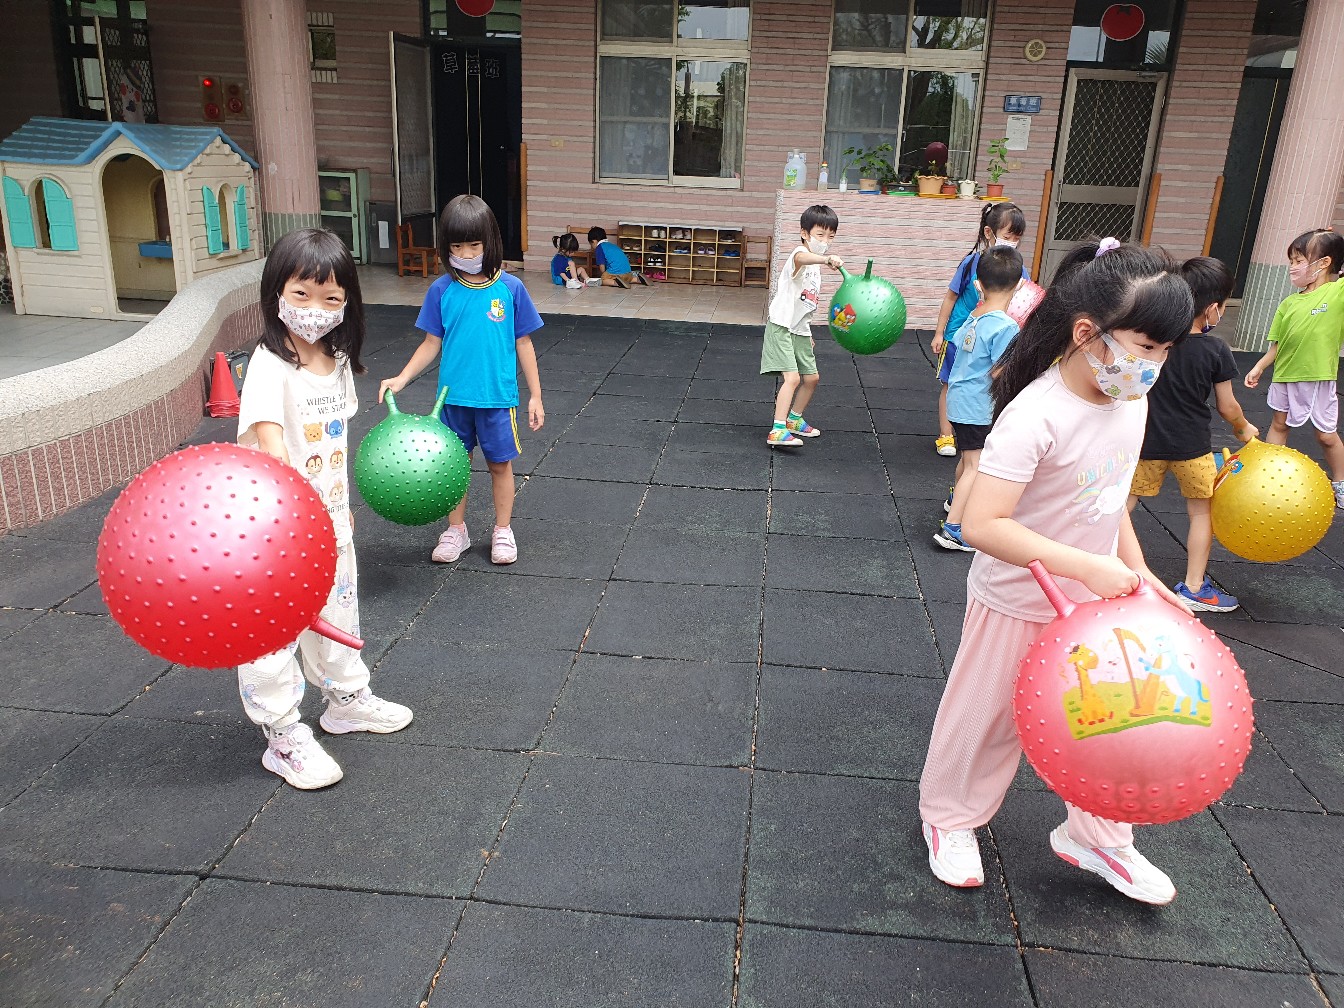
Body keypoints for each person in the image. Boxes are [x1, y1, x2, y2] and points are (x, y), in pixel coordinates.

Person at [919, 238, 1194, 905]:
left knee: (1109, 723)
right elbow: (982, 524)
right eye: (1146, 347)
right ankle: (949, 817)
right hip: (1017, 598)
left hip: (1094, 600)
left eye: (1166, 350)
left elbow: (1108, 496)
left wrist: (1139, 570)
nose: (1154, 365)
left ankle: (1098, 837)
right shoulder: (1035, 415)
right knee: (988, 717)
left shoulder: (1129, 400)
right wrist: (1089, 566)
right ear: (1087, 333)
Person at [236, 228, 413, 790]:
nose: (315, 309)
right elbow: (274, 449)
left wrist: (340, 507)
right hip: (277, 530)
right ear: (276, 294)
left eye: (330, 298)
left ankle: (346, 701)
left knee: (338, 614)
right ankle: (282, 733)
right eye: (302, 295)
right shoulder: (270, 363)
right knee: (273, 632)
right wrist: (299, 521)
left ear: (347, 303)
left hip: (328, 522)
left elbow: (332, 445)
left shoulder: (334, 360)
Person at [381, 194, 545, 565]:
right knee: (454, 467)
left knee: (500, 465)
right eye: (457, 246)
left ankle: (502, 530)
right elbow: (431, 342)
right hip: (452, 400)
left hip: (497, 399)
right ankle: (457, 530)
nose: (466, 253)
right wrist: (402, 378)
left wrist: (535, 395)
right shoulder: (442, 290)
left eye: (473, 245)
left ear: (490, 242)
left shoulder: (510, 289)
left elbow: (524, 342)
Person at [1127, 256, 1258, 611]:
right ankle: (1195, 587)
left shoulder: (1156, 341)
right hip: (1193, 448)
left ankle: (1105, 563)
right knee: (1201, 514)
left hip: (1147, 442)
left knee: (1123, 505)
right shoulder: (1216, 349)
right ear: (1213, 308)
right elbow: (1227, 406)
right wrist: (1243, 428)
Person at [1244, 228, 1344, 508]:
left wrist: (1330, 237)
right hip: (1284, 375)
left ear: (1324, 263)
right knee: (1279, 424)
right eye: (1291, 261)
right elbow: (1278, 345)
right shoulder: (1288, 303)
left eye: (1299, 261)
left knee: (1326, 435)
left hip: (1317, 376)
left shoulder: (1337, 293)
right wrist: (1260, 366)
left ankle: (1341, 482)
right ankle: (1269, 476)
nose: (1292, 267)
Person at [934, 245, 1025, 552]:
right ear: (1020, 285)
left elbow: (961, 345)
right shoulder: (1006, 326)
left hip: (959, 400)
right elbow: (1000, 371)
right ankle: (954, 529)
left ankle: (955, 502)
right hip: (978, 405)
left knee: (968, 458)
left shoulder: (974, 316)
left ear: (978, 285)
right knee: (976, 465)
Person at [930, 203, 1028, 459]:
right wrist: (940, 332)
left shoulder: (1017, 269)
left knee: (980, 382)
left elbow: (1026, 302)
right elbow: (951, 297)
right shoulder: (972, 263)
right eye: (1007, 236)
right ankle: (946, 434)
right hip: (961, 334)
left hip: (992, 335)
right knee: (951, 381)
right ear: (988, 232)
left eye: (1017, 238)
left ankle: (974, 426)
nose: (1012, 243)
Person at [759, 204, 844, 447]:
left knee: (812, 378)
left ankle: (794, 419)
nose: (825, 241)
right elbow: (801, 257)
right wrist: (826, 259)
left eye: (831, 237)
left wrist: (807, 332)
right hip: (782, 325)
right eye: (820, 235)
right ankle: (777, 429)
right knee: (792, 378)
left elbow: (806, 303)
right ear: (805, 233)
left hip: (800, 330)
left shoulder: (816, 268)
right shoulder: (800, 255)